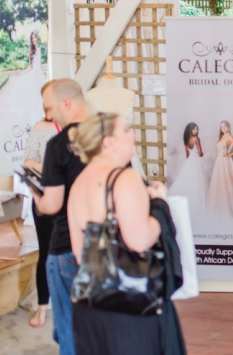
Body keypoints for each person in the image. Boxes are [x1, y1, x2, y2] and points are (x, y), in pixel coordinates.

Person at [67, 113, 185, 355]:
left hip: (91, 306)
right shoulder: (125, 178)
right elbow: (139, 240)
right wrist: (160, 206)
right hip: (130, 306)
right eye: (126, 130)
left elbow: (81, 256)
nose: (133, 135)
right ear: (108, 141)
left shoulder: (78, 183)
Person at [31, 79, 90, 355]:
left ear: (66, 103)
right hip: (107, 246)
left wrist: (35, 194)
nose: (49, 115)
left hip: (67, 246)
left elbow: (52, 205)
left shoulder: (58, 144)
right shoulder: (113, 135)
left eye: (50, 108)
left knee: (70, 333)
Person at [22, 81, 59, 328]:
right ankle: (42, 309)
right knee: (45, 251)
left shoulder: (77, 128)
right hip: (44, 196)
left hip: (71, 199)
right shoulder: (41, 127)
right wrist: (49, 170)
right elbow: (28, 162)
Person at [207, 121, 233, 218]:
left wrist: (229, 154)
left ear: (228, 127)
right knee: (218, 182)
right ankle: (219, 207)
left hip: (225, 161)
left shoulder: (229, 136)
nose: (223, 128)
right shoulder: (220, 137)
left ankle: (228, 207)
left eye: (225, 126)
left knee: (226, 182)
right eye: (221, 127)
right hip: (219, 161)